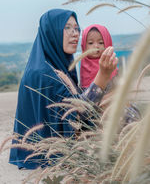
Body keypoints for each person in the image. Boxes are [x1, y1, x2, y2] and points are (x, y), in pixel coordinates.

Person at [9, 9, 118, 169]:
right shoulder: (43, 74)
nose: (75, 33)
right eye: (67, 28)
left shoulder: (57, 66)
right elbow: (79, 114)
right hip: (48, 153)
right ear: (51, 31)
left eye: (76, 28)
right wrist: (103, 75)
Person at [80, 24, 118, 92]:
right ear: (84, 46)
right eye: (90, 43)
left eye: (100, 43)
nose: (96, 46)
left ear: (107, 43)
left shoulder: (110, 65)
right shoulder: (84, 67)